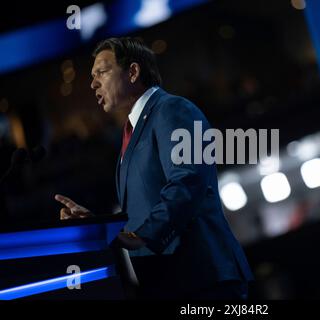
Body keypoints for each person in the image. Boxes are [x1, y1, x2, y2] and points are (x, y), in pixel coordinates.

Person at [54, 37, 254, 299]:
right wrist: (98, 224)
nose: (93, 84)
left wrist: (140, 236)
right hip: (167, 284)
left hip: (204, 281)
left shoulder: (174, 109)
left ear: (133, 72)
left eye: (101, 72)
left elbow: (187, 180)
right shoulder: (130, 136)